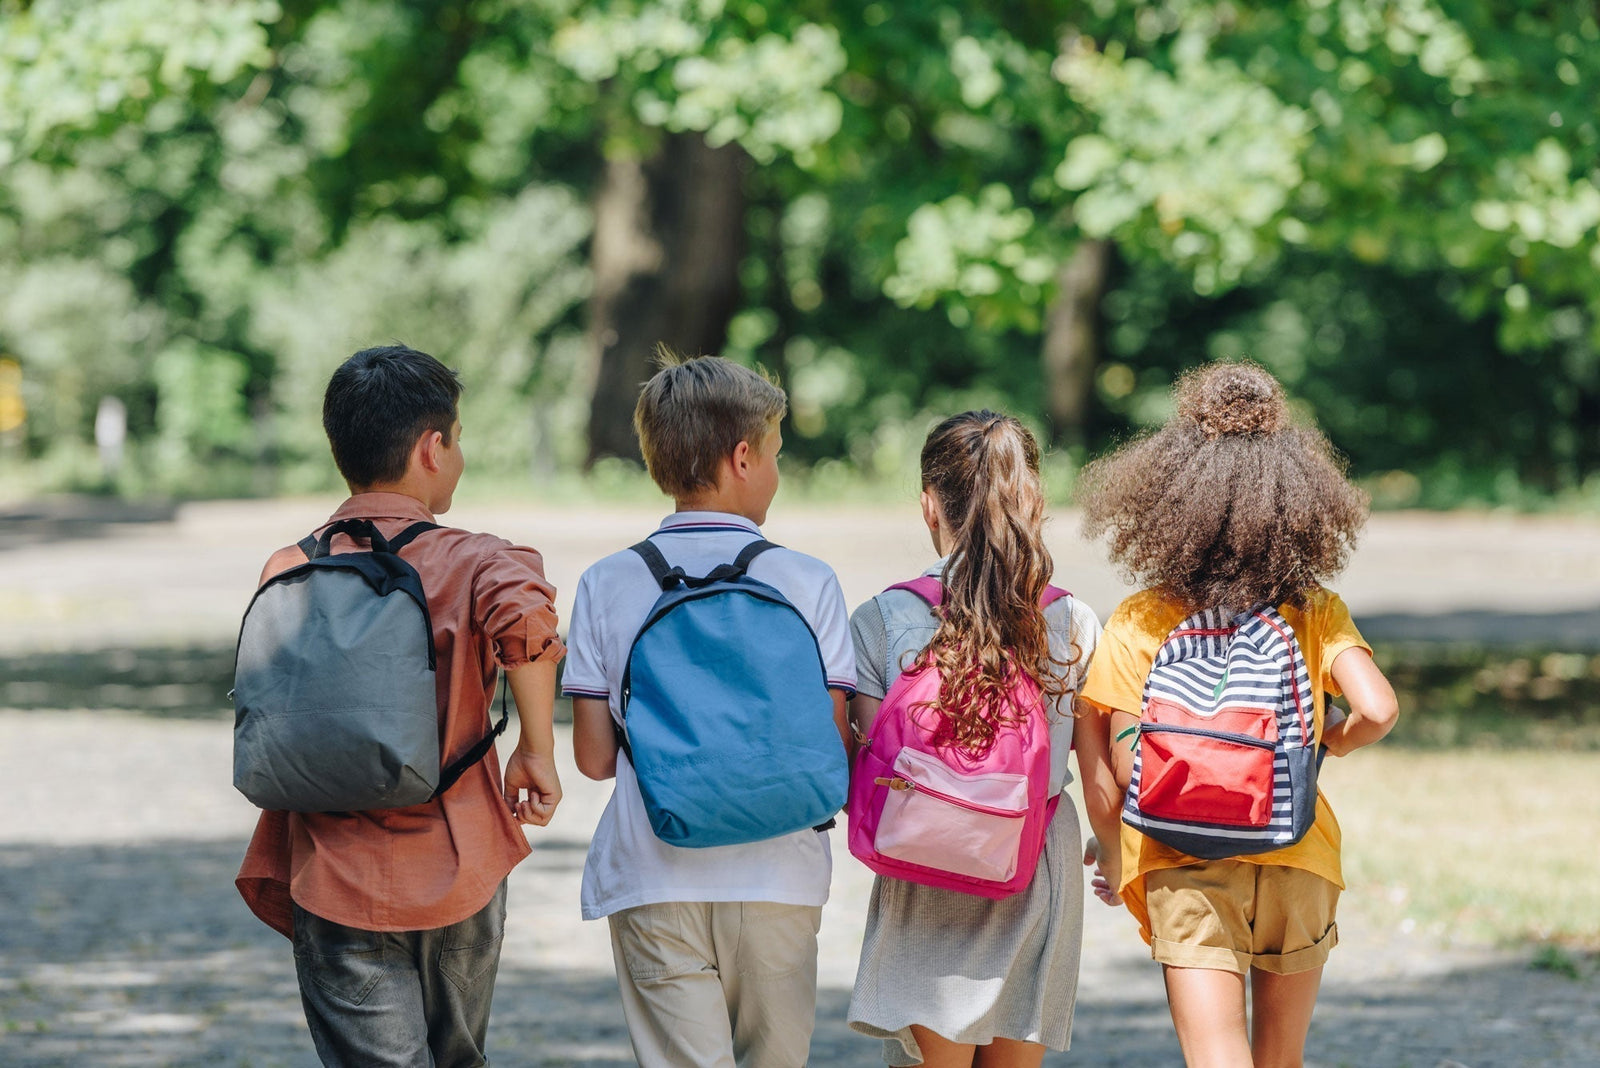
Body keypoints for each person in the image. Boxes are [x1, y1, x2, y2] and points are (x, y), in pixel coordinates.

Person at [236, 344, 565, 1067]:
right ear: (432, 446)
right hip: (458, 860)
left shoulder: (291, 568)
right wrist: (535, 749)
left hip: (331, 870)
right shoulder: (478, 559)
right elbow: (531, 631)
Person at [1077, 361, 1401, 1068]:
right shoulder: (1314, 608)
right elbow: (1378, 708)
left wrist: (1110, 845)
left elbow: (1102, 755)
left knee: (1216, 1055)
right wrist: (1331, 744)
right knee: (1279, 1058)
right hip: (1298, 848)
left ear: (1167, 497)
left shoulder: (1143, 616)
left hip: (1181, 853)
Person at [561, 351, 856, 1068]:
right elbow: (834, 741)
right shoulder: (808, 581)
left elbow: (596, 760)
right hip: (779, 876)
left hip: (652, 872)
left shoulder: (606, 583)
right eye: (777, 454)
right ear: (744, 456)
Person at [846, 410, 1124, 1068]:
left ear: (927, 506)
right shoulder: (1073, 620)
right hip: (1033, 857)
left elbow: (861, 758)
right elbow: (1099, 771)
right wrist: (1112, 850)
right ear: (1032, 501)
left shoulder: (884, 618)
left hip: (925, 858)